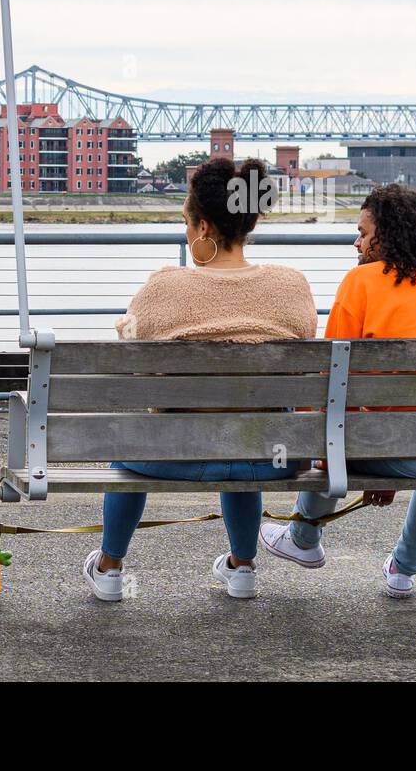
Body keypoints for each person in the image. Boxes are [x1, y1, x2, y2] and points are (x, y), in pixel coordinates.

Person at [84, 156, 317, 602]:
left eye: (187, 224)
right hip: (270, 455)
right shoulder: (292, 286)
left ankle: (110, 569)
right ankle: (242, 567)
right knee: (246, 433)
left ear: (204, 227)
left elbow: (131, 360)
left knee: (127, 452)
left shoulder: (164, 287)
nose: (187, 234)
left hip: (174, 454)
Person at [260, 183, 416, 598]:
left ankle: (303, 538)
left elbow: (330, 383)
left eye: (363, 233)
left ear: (384, 237)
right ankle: (404, 571)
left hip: (407, 450)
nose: (356, 242)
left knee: (330, 426)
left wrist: (374, 459)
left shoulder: (361, 282)